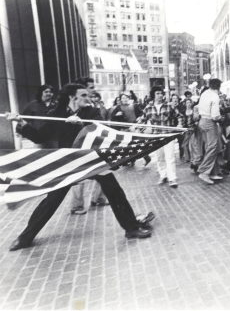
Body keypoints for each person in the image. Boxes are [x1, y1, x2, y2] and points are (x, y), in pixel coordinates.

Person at [6, 83, 154, 251]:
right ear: (72, 97)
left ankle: (131, 228)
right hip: (71, 163)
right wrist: (21, 122)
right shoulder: (58, 114)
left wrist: (81, 126)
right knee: (52, 201)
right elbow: (40, 136)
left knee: (115, 192)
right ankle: (25, 237)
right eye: (83, 95)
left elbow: (103, 131)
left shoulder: (91, 113)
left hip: (92, 160)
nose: (87, 98)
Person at [141, 86, 181, 188]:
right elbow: (142, 120)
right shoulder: (148, 108)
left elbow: (179, 116)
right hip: (156, 136)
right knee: (159, 158)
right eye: (157, 93)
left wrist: (179, 124)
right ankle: (163, 175)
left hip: (168, 135)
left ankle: (172, 178)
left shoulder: (169, 106)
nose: (160, 95)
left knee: (170, 157)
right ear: (153, 95)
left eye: (161, 93)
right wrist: (135, 126)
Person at [111, 93, 151, 166]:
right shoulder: (117, 108)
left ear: (128, 98)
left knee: (138, 144)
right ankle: (131, 160)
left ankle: (146, 157)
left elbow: (141, 113)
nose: (125, 99)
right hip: (125, 129)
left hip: (134, 127)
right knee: (127, 145)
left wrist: (140, 118)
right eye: (123, 98)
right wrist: (116, 115)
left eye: (126, 97)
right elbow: (112, 118)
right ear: (120, 100)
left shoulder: (134, 106)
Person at [197, 78, 224, 184]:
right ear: (218, 87)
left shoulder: (204, 93)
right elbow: (215, 116)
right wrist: (221, 118)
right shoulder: (215, 96)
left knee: (212, 147)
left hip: (202, 121)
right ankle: (204, 172)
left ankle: (213, 172)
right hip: (210, 122)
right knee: (213, 147)